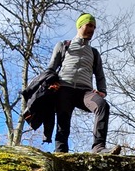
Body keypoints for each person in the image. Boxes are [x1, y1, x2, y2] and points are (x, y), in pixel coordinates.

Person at [45, 12, 118, 154]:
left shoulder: (94, 53)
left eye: (94, 27)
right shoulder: (64, 45)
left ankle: (98, 147)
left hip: (84, 92)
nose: (92, 29)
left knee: (102, 106)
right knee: (63, 124)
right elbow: (51, 68)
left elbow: (100, 74)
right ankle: (60, 154)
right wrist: (52, 83)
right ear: (80, 26)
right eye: (89, 25)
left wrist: (102, 90)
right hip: (64, 89)